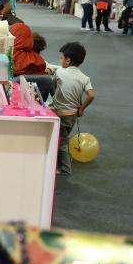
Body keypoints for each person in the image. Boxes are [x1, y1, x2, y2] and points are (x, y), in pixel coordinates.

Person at [48, 42, 95, 177]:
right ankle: (61, 161)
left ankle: (65, 169)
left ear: (68, 60)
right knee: (63, 137)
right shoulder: (85, 78)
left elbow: (53, 89)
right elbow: (91, 95)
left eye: (61, 58)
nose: (61, 61)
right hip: (73, 115)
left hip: (59, 113)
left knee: (62, 141)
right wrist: (82, 108)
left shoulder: (59, 72)